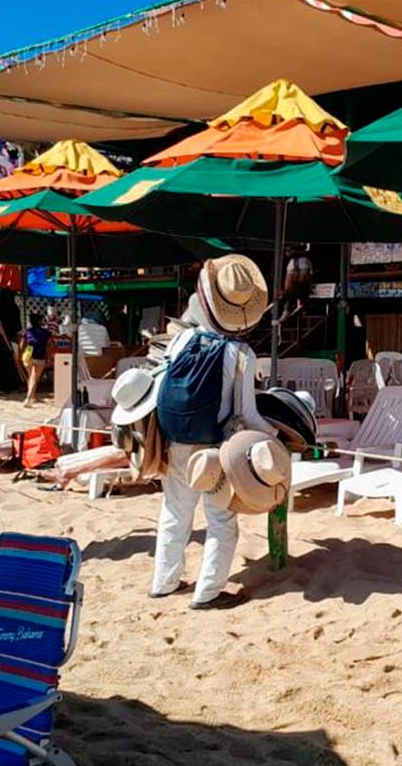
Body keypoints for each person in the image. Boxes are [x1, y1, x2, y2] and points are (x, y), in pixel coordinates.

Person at [140, 254, 275, 608]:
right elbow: (247, 413)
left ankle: (164, 582)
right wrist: (272, 440)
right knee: (221, 519)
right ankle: (208, 592)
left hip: (174, 442)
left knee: (174, 512)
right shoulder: (240, 353)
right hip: (213, 450)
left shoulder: (181, 341)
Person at [21, 313, 52, 407]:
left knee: (31, 377)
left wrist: (21, 354)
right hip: (40, 356)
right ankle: (29, 397)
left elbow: (22, 344)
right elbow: (49, 346)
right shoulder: (46, 333)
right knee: (34, 377)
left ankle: (32, 397)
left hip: (28, 354)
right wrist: (49, 357)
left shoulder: (27, 332)